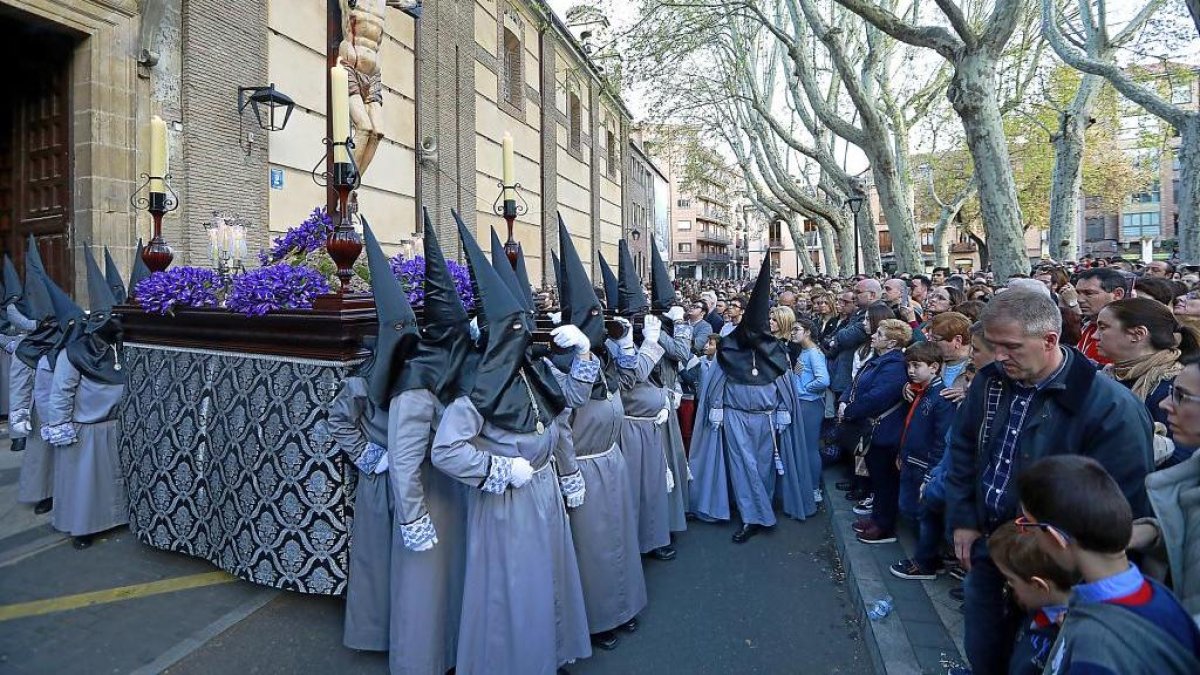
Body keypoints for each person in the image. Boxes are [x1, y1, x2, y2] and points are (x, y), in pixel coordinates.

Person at [945, 289, 1154, 675]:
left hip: (1057, 573)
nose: (999, 356)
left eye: (1011, 346)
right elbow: (962, 450)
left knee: (1033, 661)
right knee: (984, 645)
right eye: (993, 345)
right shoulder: (989, 381)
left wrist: (1067, 571)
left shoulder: (1112, 407)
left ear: (1050, 340)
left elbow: (1119, 508)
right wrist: (963, 519)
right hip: (990, 549)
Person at [432, 216, 591, 674]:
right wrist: (499, 471)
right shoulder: (479, 388)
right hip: (508, 497)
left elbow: (573, 401)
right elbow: (446, 450)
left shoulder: (534, 369)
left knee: (547, 576)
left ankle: (547, 652)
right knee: (515, 582)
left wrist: (582, 353)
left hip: (542, 491)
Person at [373, 216, 470, 673]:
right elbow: (404, 459)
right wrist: (412, 515)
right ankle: (421, 661)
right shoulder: (415, 383)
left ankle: (449, 653)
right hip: (427, 496)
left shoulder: (449, 370)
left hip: (450, 490)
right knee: (424, 583)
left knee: (449, 579)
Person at [548, 220, 646, 651]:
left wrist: (626, 344)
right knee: (590, 548)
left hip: (611, 459)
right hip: (584, 468)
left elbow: (627, 379)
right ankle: (595, 617)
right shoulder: (555, 363)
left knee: (618, 539)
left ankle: (623, 606)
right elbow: (567, 410)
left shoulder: (602, 357)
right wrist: (569, 475)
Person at [1019, 455, 1200, 673]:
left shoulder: (1096, 655)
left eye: (1028, 524)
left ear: (1056, 537)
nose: (1027, 534)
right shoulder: (1161, 598)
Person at [689, 258, 815, 540]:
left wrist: (783, 409)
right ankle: (754, 517)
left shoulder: (776, 352)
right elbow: (717, 381)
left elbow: (785, 385)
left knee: (764, 466)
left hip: (768, 419)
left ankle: (760, 505)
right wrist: (717, 407)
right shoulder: (730, 349)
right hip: (735, 416)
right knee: (743, 464)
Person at [38, 249, 128, 550]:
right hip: (85, 431)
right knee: (85, 487)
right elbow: (61, 392)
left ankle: (118, 519)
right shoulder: (73, 353)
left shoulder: (123, 348)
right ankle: (82, 528)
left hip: (115, 427)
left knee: (114, 482)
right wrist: (59, 425)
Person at [605, 242, 675, 562]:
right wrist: (646, 346)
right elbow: (629, 379)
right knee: (631, 489)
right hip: (627, 428)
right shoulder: (611, 342)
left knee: (654, 486)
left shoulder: (647, 333)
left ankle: (656, 536)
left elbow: (673, 363)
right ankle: (632, 541)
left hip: (651, 425)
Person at [1097, 297, 1199, 467]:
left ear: (1138, 334)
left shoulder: (1173, 384)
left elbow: (1187, 454)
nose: (1094, 335)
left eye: (1103, 327)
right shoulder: (1106, 375)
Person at [841, 319, 911, 544]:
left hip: (885, 430)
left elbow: (877, 396)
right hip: (874, 427)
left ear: (891, 342)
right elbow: (857, 384)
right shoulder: (880, 360)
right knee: (879, 478)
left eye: (879, 334)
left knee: (885, 480)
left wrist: (850, 410)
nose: (873, 336)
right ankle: (877, 518)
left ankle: (884, 526)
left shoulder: (894, 366)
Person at [986, 522, 1072, 675]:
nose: (1008, 586)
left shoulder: (1069, 640)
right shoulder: (1039, 609)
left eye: (1011, 580)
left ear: (1038, 585)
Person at [12, 238, 59, 518]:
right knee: (41, 457)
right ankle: (43, 493)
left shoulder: (63, 337)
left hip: (63, 410)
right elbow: (20, 386)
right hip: (40, 414)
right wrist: (20, 421)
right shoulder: (25, 349)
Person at [894, 342, 954, 527]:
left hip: (923, 464)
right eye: (909, 366)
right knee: (908, 507)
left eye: (916, 366)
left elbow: (941, 439)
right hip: (910, 459)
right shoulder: (918, 389)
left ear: (934, 367)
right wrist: (902, 453)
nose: (911, 371)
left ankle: (923, 555)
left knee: (922, 513)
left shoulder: (942, 397)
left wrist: (930, 474)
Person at [788, 317, 828, 506]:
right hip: (804, 403)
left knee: (810, 448)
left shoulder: (813, 353)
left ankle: (814, 489)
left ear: (808, 332)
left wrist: (804, 389)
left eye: (796, 329)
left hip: (810, 405)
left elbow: (823, 381)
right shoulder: (806, 352)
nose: (793, 333)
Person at [1076, 267, 1128, 366]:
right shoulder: (1087, 325)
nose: (1080, 299)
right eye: (1078, 293)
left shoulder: (1126, 332)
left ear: (1117, 294)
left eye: (1089, 293)